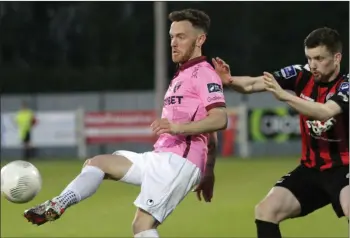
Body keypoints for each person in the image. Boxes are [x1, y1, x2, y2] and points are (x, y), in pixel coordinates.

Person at [24, 9, 227, 238]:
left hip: (179, 163)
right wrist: (208, 171)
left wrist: (177, 128)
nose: (173, 42)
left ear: (200, 39)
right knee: (98, 163)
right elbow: (209, 128)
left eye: (181, 37)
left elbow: (219, 119)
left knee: (142, 226)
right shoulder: (182, 74)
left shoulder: (204, 73)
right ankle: (58, 204)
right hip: (161, 157)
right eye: (171, 36)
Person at [213, 27, 349, 238]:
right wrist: (229, 81)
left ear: (337, 57)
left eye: (319, 58)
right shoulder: (300, 74)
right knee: (266, 211)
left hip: (345, 168)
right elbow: (252, 84)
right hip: (311, 169)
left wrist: (284, 96)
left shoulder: (346, 85)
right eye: (309, 58)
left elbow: (325, 112)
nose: (313, 64)